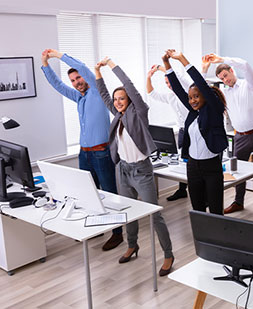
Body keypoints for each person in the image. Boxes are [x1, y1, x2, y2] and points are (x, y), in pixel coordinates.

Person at [95, 57, 174, 276]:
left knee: (154, 214)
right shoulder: (117, 115)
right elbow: (103, 95)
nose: (118, 102)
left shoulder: (138, 112)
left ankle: (168, 254)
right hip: (123, 170)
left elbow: (128, 85)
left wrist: (111, 65)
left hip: (141, 171)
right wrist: (97, 73)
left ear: (129, 99)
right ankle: (132, 245)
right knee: (127, 211)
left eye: (122, 98)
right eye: (116, 99)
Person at [41, 49, 123, 251]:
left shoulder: (97, 90)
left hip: (101, 152)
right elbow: (57, 85)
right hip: (84, 153)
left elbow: (85, 69)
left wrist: (59, 56)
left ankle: (117, 233)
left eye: (78, 77)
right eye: (73, 80)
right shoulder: (79, 97)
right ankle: (97, 228)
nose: (77, 82)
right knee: (88, 194)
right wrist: (45, 64)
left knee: (109, 193)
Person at [202, 53, 253, 220]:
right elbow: (202, 89)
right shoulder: (223, 93)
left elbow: (246, 65)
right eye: (221, 78)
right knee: (237, 171)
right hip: (239, 136)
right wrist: (204, 69)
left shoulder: (249, 84)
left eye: (226, 75)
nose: (225, 80)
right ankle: (238, 201)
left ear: (231, 71)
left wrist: (222, 59)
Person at [163, 50, 228, 215]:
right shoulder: (193, 113)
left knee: (215, 212)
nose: (192, 100)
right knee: (197, 210)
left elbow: (201, 84)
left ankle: (217, 240)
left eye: (196, 96)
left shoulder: (214, 110)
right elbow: (177, 89)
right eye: (190, 97)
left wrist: (183, 59)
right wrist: (167, 65)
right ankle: (201, 241)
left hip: (211, 167)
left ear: (205, 97)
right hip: (193, 167)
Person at [146, 64, 191, 201]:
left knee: (195, 162)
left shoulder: (187, 92)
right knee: (183, 161)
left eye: (170, 81)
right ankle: (182, 190)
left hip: (194, 130)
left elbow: (176, 75)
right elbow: (152, 93)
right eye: (166, 83)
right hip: (183, 131)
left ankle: (202, 192)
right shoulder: (171, 96)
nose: (168, 85)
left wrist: (160, 67)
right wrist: (149, 77)